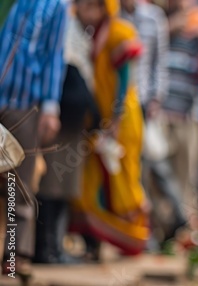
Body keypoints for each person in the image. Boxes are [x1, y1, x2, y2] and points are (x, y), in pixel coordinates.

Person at [70, 0, 148, 258]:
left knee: (122, 178)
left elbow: (125, 79)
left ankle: (133, 238)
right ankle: (96, 242)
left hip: (122, 120)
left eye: (91, 5)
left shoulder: (120, 33)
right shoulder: (90, 33)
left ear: (105, 8)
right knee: (95, 178)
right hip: (101, 121)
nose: (85, 10)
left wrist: (115, 117)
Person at [0, 0, 66, 277]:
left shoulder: (55, 7)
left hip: (24, 105)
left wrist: (50, 107)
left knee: (17, 183)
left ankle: (15, 257)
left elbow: (54, 56)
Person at [120, 0, 186, 249]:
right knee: (134, 170)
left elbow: (160, 61)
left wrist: (156, 98)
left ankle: (173, 220)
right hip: (119, 104)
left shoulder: (153, 17)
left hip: (144, 105)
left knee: (151, 165)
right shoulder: (112, 13)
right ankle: (145, 233)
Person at [34, 9, 97, 265]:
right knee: (49, 188)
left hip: (70, 125)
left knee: (63, 190)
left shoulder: (79, 31)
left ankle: (55, 247)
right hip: (56, 121)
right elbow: (59, 71)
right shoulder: (60, 18)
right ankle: (44, 250)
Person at [163, 0, 198, 206]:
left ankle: (183, 222)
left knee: (185, 173)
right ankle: (163, 224)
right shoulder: (159, 21)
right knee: (161, 173)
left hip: (187, 114)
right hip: (160, 113)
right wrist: (170, 27)